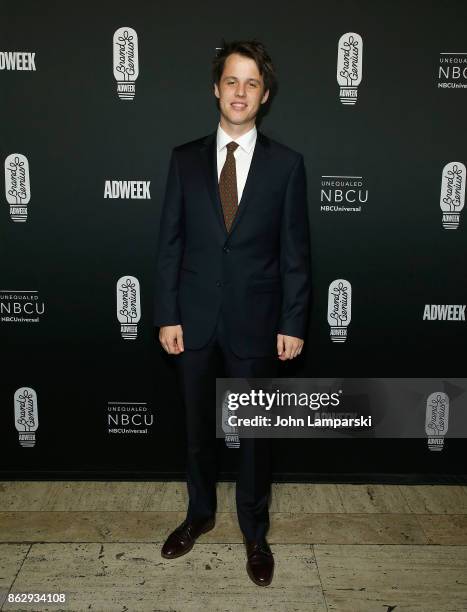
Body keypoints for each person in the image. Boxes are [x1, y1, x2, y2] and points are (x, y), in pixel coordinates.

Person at [154, 39, 311, 586]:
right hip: (193, 319)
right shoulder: (183, 159)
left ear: (264, 95)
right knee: (198, 428)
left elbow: (296, 253)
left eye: (251, 83)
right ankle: (199, 514)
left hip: (257, 322)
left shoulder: (287, 165)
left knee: (254, 435)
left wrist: (293, 322)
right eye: (231, 81)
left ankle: (254, 530)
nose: (239, 91)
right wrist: (167, 314)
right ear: (215, 89)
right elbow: (169, 244)